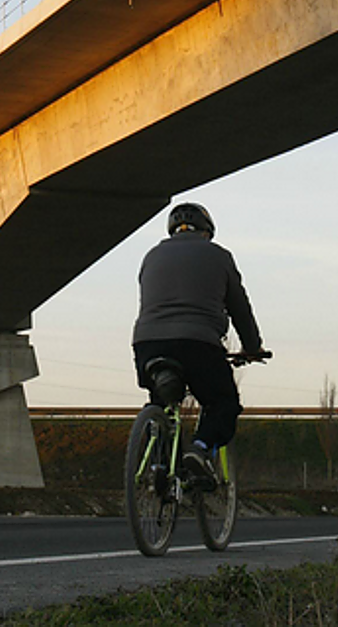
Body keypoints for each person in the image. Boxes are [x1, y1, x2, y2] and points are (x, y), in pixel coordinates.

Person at [132, 201, 268, 483]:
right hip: (198, 343)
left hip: (147, 343)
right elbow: (239, 307)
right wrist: (252, 347)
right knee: (223, 404)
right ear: (207, 231)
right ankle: (201, 448)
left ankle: (158, 462)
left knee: (163, 400)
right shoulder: (219, 257)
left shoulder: (151, 256)